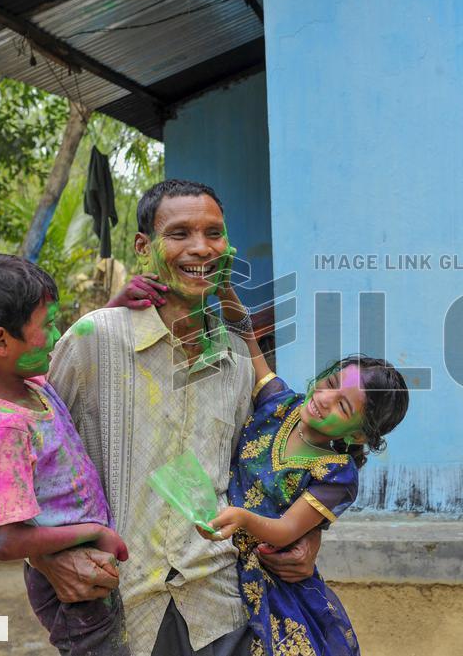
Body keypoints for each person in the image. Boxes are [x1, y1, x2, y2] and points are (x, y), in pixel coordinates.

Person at [34, 179, 323, 656]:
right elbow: (24, 457)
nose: (200, 248)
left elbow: (271, 465)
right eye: (180, 233)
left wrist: (306, 534)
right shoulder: (92, 340)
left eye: (214, 233)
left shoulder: (235, 357)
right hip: (116, 601)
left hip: (218, 601)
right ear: (144, 247)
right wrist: (44, 558)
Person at [0, 252, 129, 656]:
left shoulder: (30, 384)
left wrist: (117, 307)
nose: (57, 337)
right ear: (1, 341)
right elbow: (3, 541)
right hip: (72, 594)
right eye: (48, 325)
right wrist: (94, 532)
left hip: (89, 572)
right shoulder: (8, 429)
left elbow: (67, 350)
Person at [200, 282, 409, 656]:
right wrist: (224, 290)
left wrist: (243, 519)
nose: (324, 400)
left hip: (274, 582)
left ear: (359, 435)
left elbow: (283, 532)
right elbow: (247, 338)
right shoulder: (279, 403)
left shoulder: (337, 474)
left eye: (343, 407)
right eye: (329, 384)